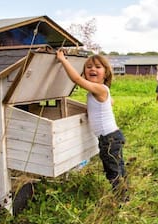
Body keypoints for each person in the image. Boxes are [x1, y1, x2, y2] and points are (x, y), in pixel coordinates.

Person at [56, 49, 128, 201]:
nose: (92, 69)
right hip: (112, 136)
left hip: (109, 139)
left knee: (113, 171)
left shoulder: (100, 89)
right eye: (88, 67)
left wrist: (63, 60)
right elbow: (110, 102)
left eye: (97, 67)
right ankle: (124, 195)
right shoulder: (101, 91)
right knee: (118, 167)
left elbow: (76, 79)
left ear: (106, 73)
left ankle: (121, 201)